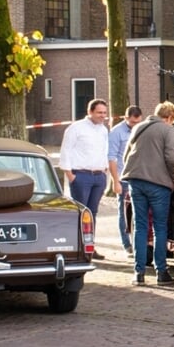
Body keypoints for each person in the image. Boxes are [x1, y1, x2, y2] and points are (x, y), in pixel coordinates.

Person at [121, 101, 174, 286]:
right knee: (159, 227)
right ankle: (161, 272)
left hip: (136, 181)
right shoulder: (167, 130)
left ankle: (138, 273)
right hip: (158, 184)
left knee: (140, 226)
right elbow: (172, 158)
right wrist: (173, 179)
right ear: (169, 117)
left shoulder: (138, 127)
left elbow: (126, 155)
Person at [59, 98, 110, 260]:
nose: (103, 116)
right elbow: (65, 151)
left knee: (93, 213)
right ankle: (78, 248)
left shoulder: (103, 130)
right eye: (99, 113)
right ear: (90, 112)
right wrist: (70, 175)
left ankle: (90, 246)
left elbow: (104, 150)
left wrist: (105, 171)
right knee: (81, 213)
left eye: (104, 113)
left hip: (99, 176)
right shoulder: (76, 128)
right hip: (81, 176)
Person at [108, 105, 143, 258]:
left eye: (138, 122)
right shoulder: (117, 132)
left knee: (139, 211)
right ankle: (127, 244)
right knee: (124, 211)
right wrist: (115, 181)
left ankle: (137, 243)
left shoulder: (142, 129)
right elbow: (112, 157)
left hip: (139, 176)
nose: (135, 126)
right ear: (126, 118)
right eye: (133, 123)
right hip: (124, 178)